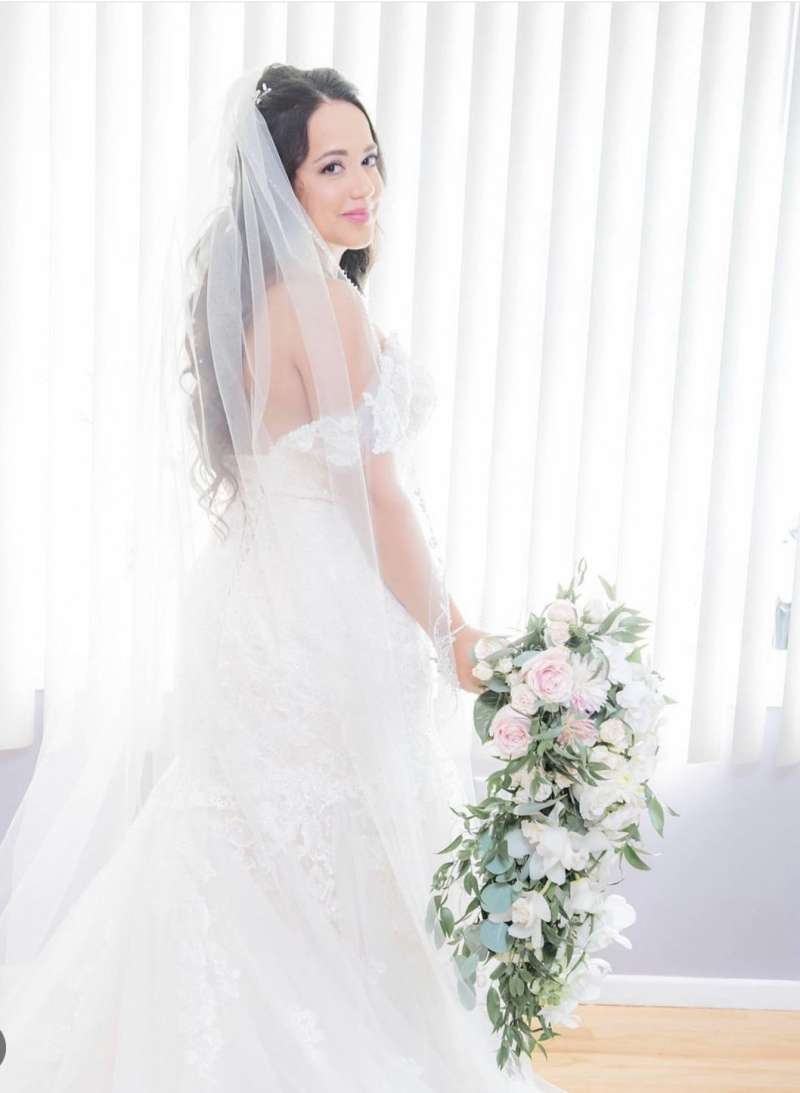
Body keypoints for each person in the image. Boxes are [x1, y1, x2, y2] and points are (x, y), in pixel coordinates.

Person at [0, 63, 565, 1091]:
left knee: (239, 841)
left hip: (247, 603)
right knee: (336, 846)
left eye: (369, 158)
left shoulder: (246, 299)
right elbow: (378, 501)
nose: (362, 185)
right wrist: (454, 636)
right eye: (331, 166)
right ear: (284, 183)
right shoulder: (327, 306)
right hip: (321, 615)